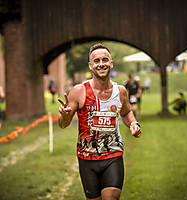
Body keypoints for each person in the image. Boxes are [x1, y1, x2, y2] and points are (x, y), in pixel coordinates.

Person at [58, 43, 142, 200]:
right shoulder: (79, 91)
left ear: (111, 63)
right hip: (87, 158)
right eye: (96, 61)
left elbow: (126, 112)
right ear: (90, 66)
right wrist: (64, 116)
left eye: (105, 60)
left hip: (113, 154)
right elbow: (63, 124)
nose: (101, 64)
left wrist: (133, 123)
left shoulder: (120, 91)